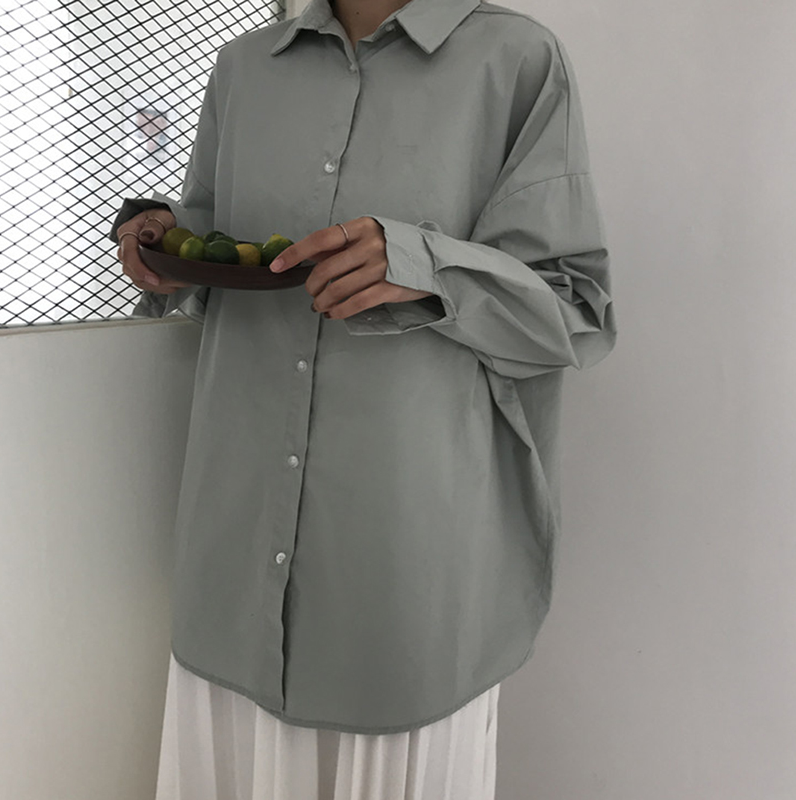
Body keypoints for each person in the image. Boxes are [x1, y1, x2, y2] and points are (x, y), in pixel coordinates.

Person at [110, 0, 616, 797]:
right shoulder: (244, 67)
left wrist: (422, 263)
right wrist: (164, 243)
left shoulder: (517, 60)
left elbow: (574, 310)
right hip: (235, 545)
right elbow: (220, 240)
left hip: (401, 561)